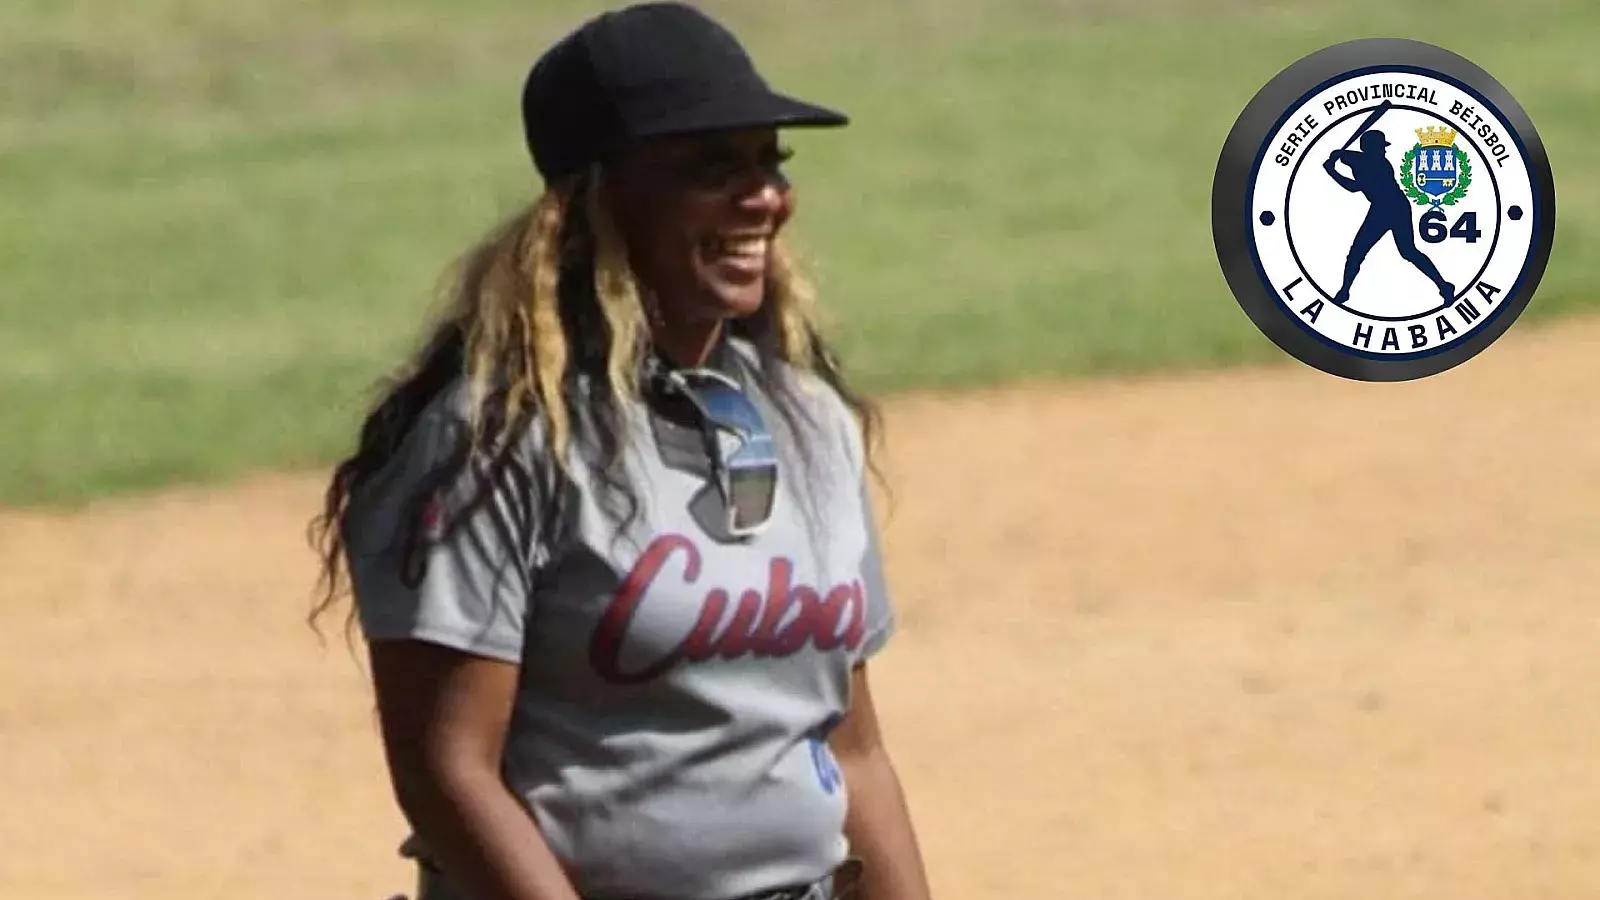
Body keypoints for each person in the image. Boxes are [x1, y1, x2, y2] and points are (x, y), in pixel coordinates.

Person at [307, 4, 934, 900]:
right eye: (709, 168)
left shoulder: (807, 422)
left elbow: (852, 748)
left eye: (768, 162)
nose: (762, 196)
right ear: (597, 202)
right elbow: (449, 772)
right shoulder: (495, 439)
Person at [1323, 129, 1454, 306]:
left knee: (1391, 251)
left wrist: (1332, 170)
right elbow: (1349, 157)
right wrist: (1338, 155)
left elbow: (1353, 186)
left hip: (1389, 207)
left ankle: (1444, 286)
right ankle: (1344, 291)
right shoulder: (1364, 160)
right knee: (1363, 252)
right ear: (1368, 148)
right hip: (1389, 206)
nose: (1383, 150)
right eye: (1379, 147)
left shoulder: (1378, 164)